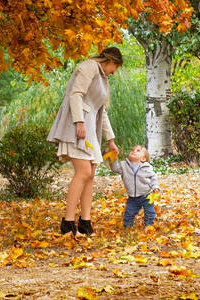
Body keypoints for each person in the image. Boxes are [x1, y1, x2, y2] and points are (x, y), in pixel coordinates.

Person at [47, 47, 123, 236]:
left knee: (90, 175)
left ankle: (85, 222)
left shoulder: (103, 78)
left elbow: (101, 111)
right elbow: (75, 94)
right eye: (115, 66)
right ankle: (68, 223)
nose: (114, 71)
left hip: (90, 129)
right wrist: (79, 122)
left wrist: (111, 140)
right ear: (110, 60)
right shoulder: (89, 67)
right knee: (83, 172)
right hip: (78, 126)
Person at [107, 145, 160, 228]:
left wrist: (155, 187)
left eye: (138, 150)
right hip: (132, 197)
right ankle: (128, 228)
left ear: (143, 159)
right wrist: (113, 158)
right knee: (129, 214)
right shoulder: (124, 165)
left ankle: (149, 227)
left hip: (146, 195)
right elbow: (114, 168)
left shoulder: (147, 168)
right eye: (132, 150)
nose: (133, 151)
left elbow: (153, 178)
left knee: (150, 212)